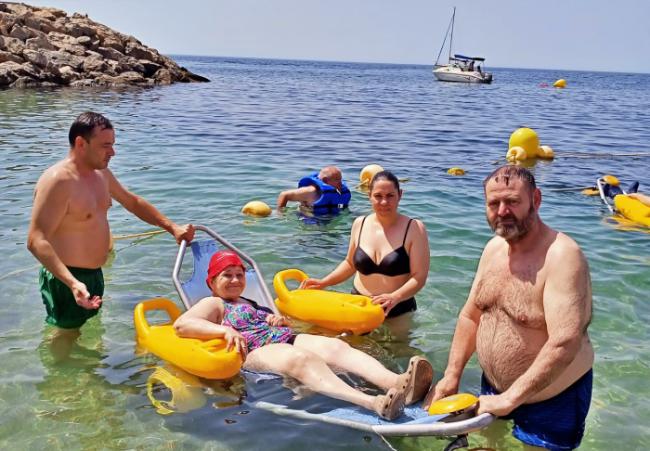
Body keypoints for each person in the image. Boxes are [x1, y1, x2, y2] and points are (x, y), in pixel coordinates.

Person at [425, 165, 594, 450]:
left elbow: (565, 342)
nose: (502, 211)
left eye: (513, 201)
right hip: (494, 389)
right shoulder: (493, 249)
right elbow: (470, 315)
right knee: (490, 445)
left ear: (536, 200)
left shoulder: (562, 256)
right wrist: (452, 374)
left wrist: (511, 398)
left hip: (552, 398)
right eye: (494, 203)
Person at [173, 250, 434, 420]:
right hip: (253, 351)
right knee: (301, 359)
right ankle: (373, 403)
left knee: (335, 348)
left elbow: (272, 322)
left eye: (239, 274)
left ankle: (398, 383)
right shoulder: (214, 304)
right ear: (211, 282)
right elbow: (182, 325)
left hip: (281, 337)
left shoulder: (248, 302)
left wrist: (274, 318)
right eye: (226, 275)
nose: (234, 280)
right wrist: (224, 329)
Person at [27, 112, 195, 359]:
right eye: (106, 146)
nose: (113, 152)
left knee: (86, 331)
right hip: (66, 279)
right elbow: (35, 240)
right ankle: (60, 391)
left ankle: (86, 383)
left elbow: (132, 202)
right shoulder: (58, 182)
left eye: (113, 145)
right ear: (81, 144)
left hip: (94, 275)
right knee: (65, 334)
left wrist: (172, 227)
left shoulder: (100, 175)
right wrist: (72, 283)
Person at [301, 171, 429, 335]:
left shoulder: (414, 228)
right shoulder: (359, 224)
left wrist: (394, 297)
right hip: (359, 305)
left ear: (400, 195)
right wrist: (324, 282)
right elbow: (350, 264)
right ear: (369, 196)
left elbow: (419, 277)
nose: (384, 201)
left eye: (390, 195)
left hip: (397, 309)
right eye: (378, 196)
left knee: (397, 356)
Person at [277, 166, 351, 214]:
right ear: (325, 180)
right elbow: (284, 195)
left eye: (341, 179)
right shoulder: (310, 191)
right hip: (310, 223)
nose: (341, 183)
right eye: (337, 180)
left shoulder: (339, 192)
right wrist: (281, 213)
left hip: (329, 222)